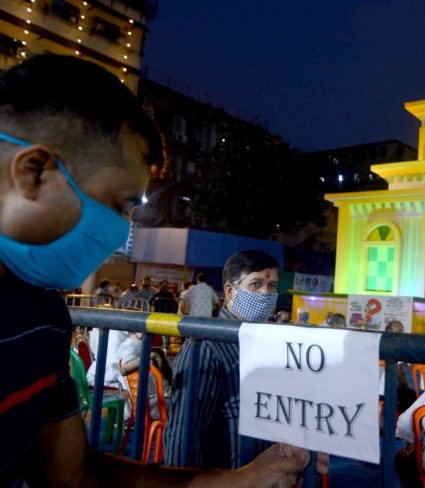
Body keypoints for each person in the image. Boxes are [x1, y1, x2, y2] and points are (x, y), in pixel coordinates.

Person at [0, 54, 323, 486]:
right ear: (33, 173)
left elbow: (74, 475)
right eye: (117, 205)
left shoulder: (45, 317)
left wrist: (240, 479)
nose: (121, 232)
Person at [165, 250, 281, 469]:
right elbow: (184, 432)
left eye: (272, 286)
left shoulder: (270, 345)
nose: (265, 293)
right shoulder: (205, 347)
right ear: (230, 291)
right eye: (256, 284)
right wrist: (185, 482)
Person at [116, 331, 160, 420]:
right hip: (153, 405)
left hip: (142, 401)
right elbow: (124, 369)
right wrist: (150, 357)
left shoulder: (129, 345)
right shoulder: (133, 346)